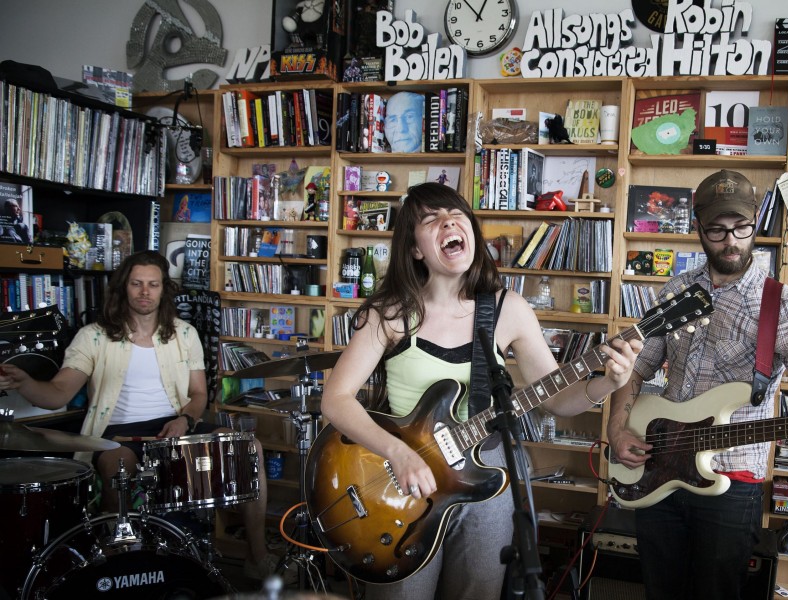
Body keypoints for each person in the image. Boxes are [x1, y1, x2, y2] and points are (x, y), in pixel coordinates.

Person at [320, 182, 641, 600]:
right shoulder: (390, 312)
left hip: (488, 471)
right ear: (415, 249)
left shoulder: (509, 309)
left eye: (455, 214)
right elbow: (336, 399)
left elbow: (558, 398)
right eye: (431, 219)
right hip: (402, 475)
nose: (449, 221)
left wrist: (607, 383)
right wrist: (398, 453)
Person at [607, 170, 788, 600]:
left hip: (732, 477)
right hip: (659, 467)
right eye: (718, 230)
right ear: (698, 230)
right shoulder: (675, 290)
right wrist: (616, 427)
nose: (731, 241)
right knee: (659, 589)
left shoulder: (780, 302)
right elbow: (633, 367)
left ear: (754, 226)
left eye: (741, 228)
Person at [0, 251, 282, 582]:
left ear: (164, 289)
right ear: (124, 287)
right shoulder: (93, 336)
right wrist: (26, 383)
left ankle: (256, 556)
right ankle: (117, 566)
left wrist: (185, 421)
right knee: (118, 467)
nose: (144, 292)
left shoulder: (184, 333)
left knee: (248, 448)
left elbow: (199, 395)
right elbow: (58, 393)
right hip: (116, 432)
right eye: (136, 284)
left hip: (174, 425)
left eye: (152, 284)